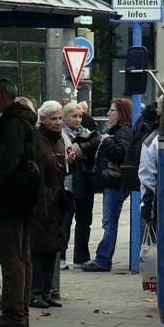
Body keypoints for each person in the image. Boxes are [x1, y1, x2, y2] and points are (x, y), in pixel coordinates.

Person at [0, 78, 45, 327]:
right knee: (23, 255)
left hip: (11, 199)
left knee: (11, 257)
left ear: (1, 96)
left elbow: (7, 161)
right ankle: (22, 309)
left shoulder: (11, 124)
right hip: (26, 198)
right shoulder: (27, 121)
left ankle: (13, 313)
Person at [82, 99, 132, 272]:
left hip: (115, 182)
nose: (108, 113)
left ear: (120, 113)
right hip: (113, 181)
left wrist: (107, 141)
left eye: (111, 110)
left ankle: (103, 259)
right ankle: (102, 257)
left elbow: (123, 152)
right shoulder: (119, 131)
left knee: (109, 222)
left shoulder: (121, 132)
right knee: (109, 221)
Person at [29, 101, 68, 309]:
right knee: (39, 247)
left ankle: (45, 291)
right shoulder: (38, 138)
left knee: (52, 247)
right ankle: (35, 292)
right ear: (43, 120)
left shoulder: (58, 139)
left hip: (57, 200)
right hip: (42, 201)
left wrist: (70, 161)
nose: (58, 122)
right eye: (54, 119)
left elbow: (59, 166)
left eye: (60, 118)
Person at [61, 101, 99, 269]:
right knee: (65, 220)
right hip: (67, 183)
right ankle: (61, 256)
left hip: (84, 181)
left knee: (84, 220)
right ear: (65, 117)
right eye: (74, 116)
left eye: (80, 116)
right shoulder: (60, 134)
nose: (78, 120)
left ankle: (81, 257)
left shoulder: (88, 133)